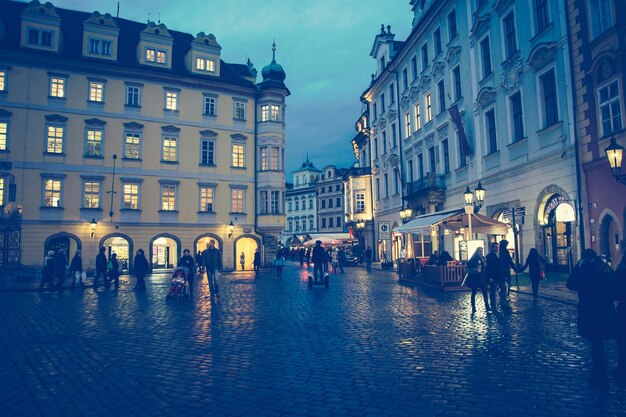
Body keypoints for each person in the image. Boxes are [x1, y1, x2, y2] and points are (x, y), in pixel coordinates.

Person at [567, 249, 617, 388]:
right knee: (599, 344)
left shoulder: (582, 267)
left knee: (596, 345)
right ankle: (602, 374)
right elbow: (616, 287)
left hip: (590, 309)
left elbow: (570, 284)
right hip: (606, 308)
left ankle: (600, 377)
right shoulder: (604, 267)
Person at [485, 242, 509, 311]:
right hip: (494, 276)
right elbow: (488, 268)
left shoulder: (501, 255)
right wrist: (490, 277)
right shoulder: (489, 256)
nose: (497, 249)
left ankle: (503, 303)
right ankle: (493, 305)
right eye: (496, 247)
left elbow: (504, 265)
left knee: (504, 289)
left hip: (501, 276)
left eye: (498, 247)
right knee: (493, 291)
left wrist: (505, 275)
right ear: (493, 248)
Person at [615, 251, 626, 385]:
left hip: (624, 309)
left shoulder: (622, 269)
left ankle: (623, 368)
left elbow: (615, 292)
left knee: (623, 340)